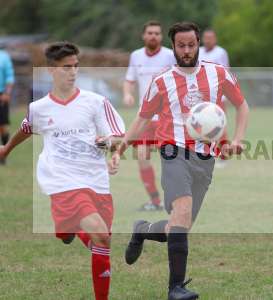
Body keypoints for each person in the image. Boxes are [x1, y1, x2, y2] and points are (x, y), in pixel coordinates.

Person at [110, 22, 249, 300]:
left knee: (179, 226)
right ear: (172, 47)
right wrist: (120, 148)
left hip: (205, 157)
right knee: (182, 212)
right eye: (181, 46)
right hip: (173, 152)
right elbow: (143, 117)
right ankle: (176, 288)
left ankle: (142, 230)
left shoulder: (218, 73)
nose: (186, 51)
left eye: (191, 45)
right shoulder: (161, 80)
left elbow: (242, 105)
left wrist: (237, 139)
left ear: (198, 43)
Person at [0, 42, 125, 300]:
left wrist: (113, 149)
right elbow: (25, 129)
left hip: (95, 180)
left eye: (76, 67)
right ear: (52, 70)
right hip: (62, 181)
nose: (73, 72)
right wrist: (6, 149)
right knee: (102, 238)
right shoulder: (39, 108)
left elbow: (117, 135)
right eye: (66, 67)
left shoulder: (96, 102)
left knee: (100, 240)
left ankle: (67, 227)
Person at [123, 20, 176, 211]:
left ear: (161, 37)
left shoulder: (170, 56)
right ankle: (155, 201)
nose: (153, 36)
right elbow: (129, 80)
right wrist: (127, 94)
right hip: (144, 118)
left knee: (171, 160)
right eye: (150, 33)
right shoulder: (135, 56)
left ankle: (176, 199)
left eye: (157, 33)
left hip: (166, 118)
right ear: (143, 35)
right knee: (142, 157)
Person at [199, 29, 231, 168]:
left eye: (210, 38)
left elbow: (226, 72)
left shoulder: (220, 52)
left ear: (215, 39)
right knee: (201, 126)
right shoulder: (198, 51)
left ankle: (224, 156)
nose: (208, 40)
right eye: (205, 38)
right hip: (201, 96)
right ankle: (203, 155)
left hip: (218, 96)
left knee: (219, 126)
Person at [0, 46, 15, 165]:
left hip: (1, 94)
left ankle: (3, 154)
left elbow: (10, 76)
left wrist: (7, 93)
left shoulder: (4, 56)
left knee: (3, 126)